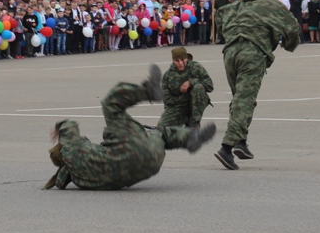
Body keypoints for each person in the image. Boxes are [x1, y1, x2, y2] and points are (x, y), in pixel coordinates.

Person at [44, 65, 217, 190]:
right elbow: (71, 126)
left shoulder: (80, 180)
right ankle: (147, 92)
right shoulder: (71, 151)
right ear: (63, 152)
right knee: (110, 105)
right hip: (128, 151)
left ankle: (191, 138)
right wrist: (60, 127)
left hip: (148, 164)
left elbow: (60, 182)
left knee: (160, 132)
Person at [212, 0, 302, 170]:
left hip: (230, 53)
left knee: (240, 98)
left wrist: (230, 34)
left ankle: (241, 142)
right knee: (244, 100)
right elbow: (293, 28)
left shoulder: (240, 3)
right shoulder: (272, 5)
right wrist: (288, 44)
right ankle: (226, 148)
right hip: (252, 53)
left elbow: (220, 15)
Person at [158, 46, 214, 128]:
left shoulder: (195, 67)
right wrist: (186, 97)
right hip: (177, 106)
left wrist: (191, 82)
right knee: (162, 128)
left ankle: (194, 122)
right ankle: (184, 119)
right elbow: (167, 100)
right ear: (173, 61)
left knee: (198, 88)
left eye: (182, 59)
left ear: (186, 58)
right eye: (177, 60)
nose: (180, 63)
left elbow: (209, 86)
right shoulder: (168, 75)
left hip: (196, 102)